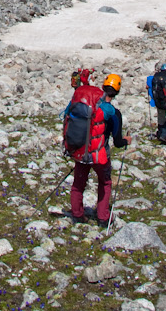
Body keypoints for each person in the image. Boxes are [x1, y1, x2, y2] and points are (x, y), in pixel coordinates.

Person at [63, 69, 116, 224]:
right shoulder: (109, 109)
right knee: (105, 182)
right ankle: (103, 217)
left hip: (80, 149)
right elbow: (116, 136)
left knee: (78, 184)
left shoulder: (80, 99)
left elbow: (66, 115)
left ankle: (78, 215)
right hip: (98, 153)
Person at [146, 62, 166, 144]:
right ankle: (165, 133)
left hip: (159, 102)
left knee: (161, 118)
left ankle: (160, 133)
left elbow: (147, 86)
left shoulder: (155, 78)